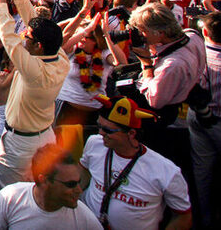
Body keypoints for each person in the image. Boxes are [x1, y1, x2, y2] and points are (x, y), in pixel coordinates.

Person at [0, 0, 68, 191]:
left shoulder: (34, 72)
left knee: (10, 195)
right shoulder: (60, 58)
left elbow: (8, 36)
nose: (24, 38)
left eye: (28, 39)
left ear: (38, 47)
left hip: (20, 146)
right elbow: (35, 24)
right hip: (45, 137)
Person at [79, 95, 192, 230]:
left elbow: (183, 216)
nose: (100, 133)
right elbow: (83, 175)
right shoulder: (94, 143)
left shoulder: (166, 171)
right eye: (99, 126)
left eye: (108, 130)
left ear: (131, 133)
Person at [0, 143, 101, 229]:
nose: (79, 190)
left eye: (78, 182)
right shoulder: (9, 198)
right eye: (71, 184)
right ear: (43, 180)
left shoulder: (84, 218)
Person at [128, 3, 206, 124]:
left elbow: (155, 101)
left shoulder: (172, 65)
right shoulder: (192, 35)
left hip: (172, 122)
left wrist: (147, 65)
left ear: (160, 33)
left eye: (143, 31)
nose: (141, 35)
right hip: (192, 104)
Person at [188, 11, 221, 228]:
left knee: (202, 171)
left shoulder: (192, 53)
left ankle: (205, 218)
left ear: (205, 31)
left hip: (197, 116)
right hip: (217, 120)